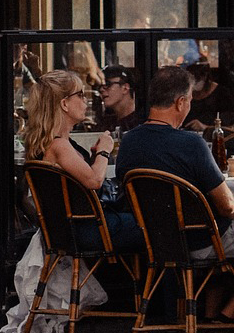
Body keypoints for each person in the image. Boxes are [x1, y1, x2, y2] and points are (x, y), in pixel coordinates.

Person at [116, 65, 234, 317]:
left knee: (228, 240)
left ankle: (209, 316)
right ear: (181, 102)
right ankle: (230, 316)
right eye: (189, 101)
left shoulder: (129, 142)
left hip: (158, 241)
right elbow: (228, 207)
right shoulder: (191, 143)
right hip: (203, 241)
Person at [22, 70, 143, 252]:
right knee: (154, 224)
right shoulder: (59, 146)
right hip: (87, 230)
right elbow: (94, 181)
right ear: (64, 104)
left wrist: (94, 158)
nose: (85, 100)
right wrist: (104, 151)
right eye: (79, 95)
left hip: (69, 230)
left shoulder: (51, 143)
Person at [184, 61, 234, 132]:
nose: (195, 84)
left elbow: (231, 121)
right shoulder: (186, 94)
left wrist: (206, 127)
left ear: (205, 77)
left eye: (197, 80)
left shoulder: (222, 93)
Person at [98, 65, 144, 135]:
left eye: (107, 84)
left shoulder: (142, 122)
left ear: (125, 88)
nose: (101, 89)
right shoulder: (106, 123)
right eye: (99, 86)